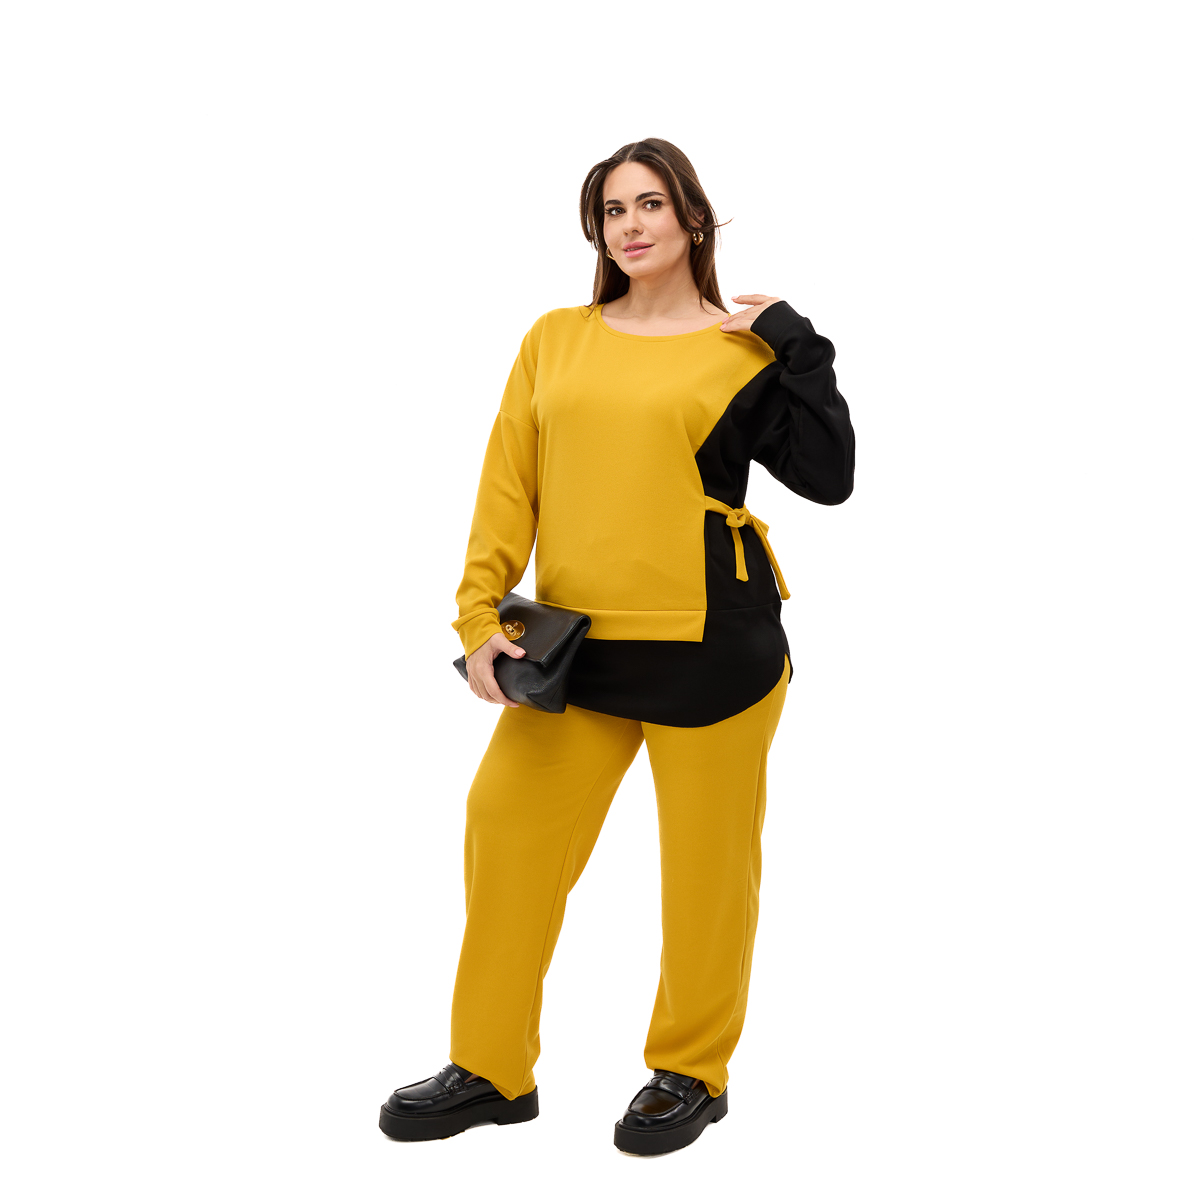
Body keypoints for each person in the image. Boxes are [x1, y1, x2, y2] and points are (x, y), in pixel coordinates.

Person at [379, 137, 855, 1155]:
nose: (630, 226)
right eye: (611, 211)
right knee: (505, 826)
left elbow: (830, 477)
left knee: (706, 872)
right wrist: (478, 620)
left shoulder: (741, 351)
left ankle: (690, 1071)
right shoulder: (556, 338)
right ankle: (490, 1069)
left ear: (693, 218)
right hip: (576, 652)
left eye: (651, 205)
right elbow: (508, 486)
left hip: (714, 645)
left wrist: (795, 339)